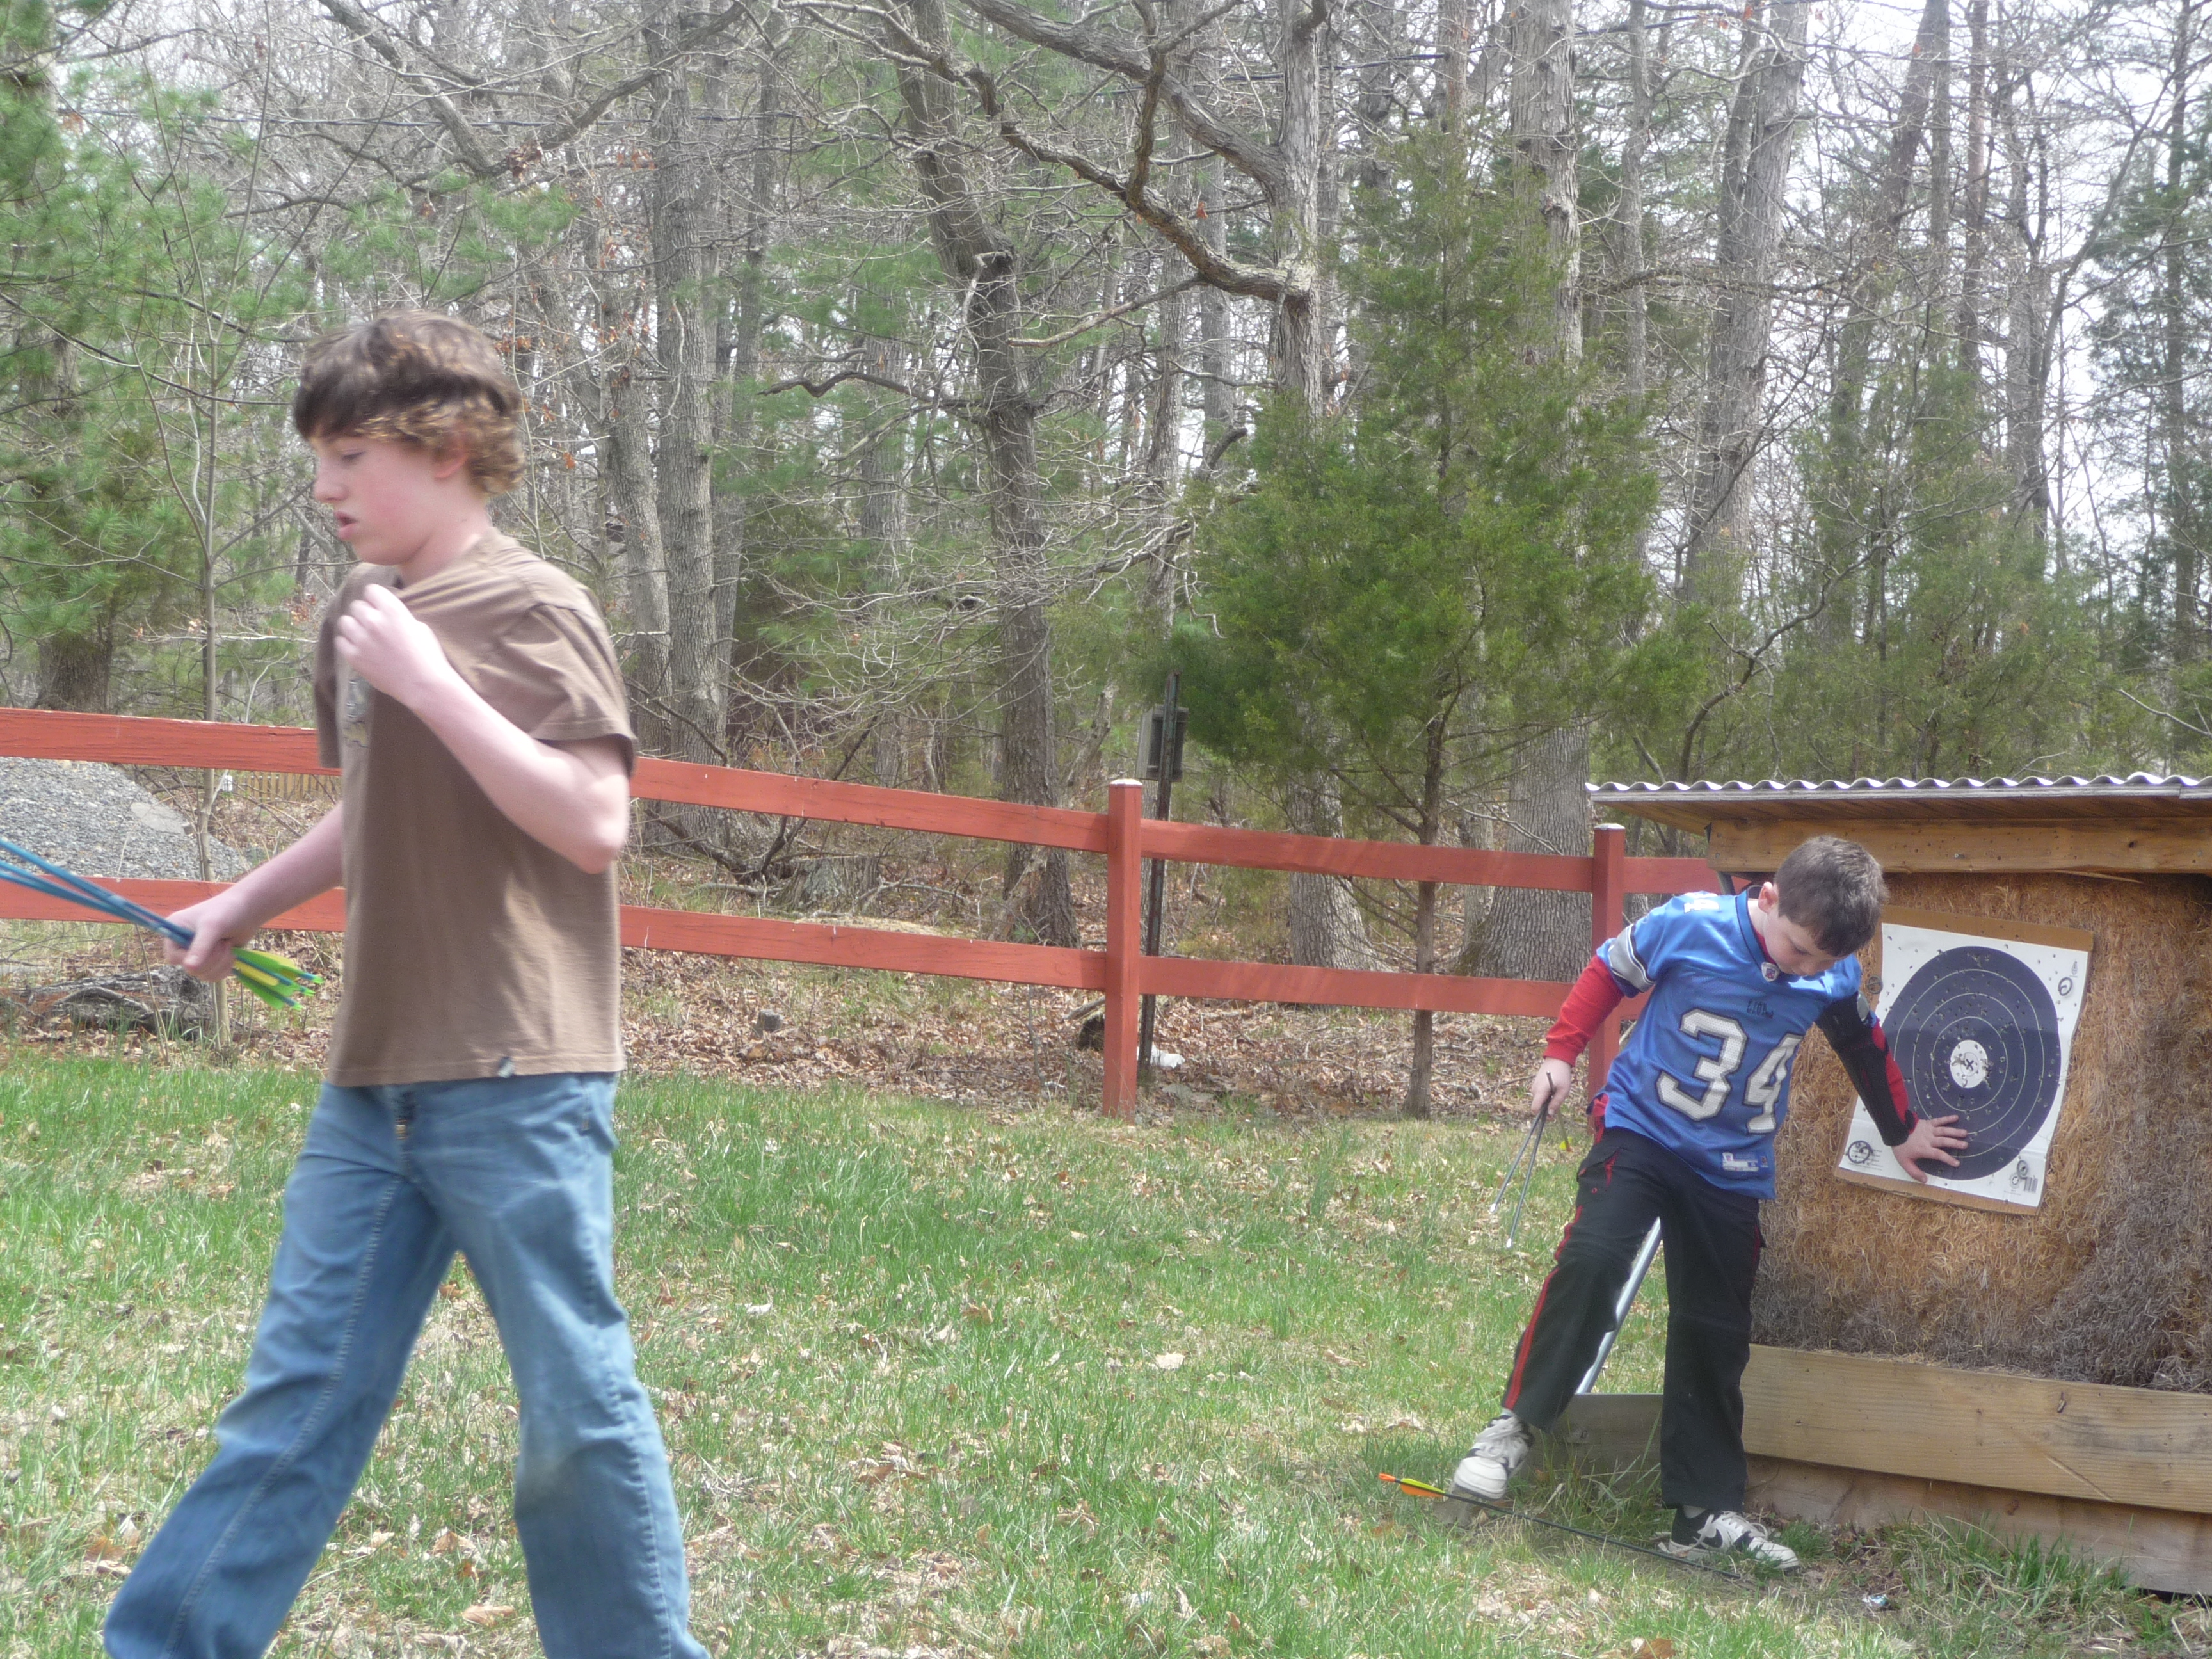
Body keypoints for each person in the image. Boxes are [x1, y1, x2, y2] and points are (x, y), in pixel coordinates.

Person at [106, 312, 710, 1659]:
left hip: (520, 1071)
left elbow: (593, 820)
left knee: (574, 1408)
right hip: (373, 1078)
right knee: (296, 1398)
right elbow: (375, 807)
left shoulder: (533, 606)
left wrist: (433, 683)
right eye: (317, 458)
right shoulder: (362, 616)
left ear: (446, 449)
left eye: (350, 455)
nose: (324, 487)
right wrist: (243, 902)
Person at [1447, 836, 1968, 1569]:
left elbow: (1862, 1042)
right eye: (1798, 950)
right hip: (1643, 1131)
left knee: (1715, 1328)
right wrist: (1560, 1053)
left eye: (1821, 962)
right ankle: (1513, 1430)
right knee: (1594, 1260)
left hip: (1734, 1165)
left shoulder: (1830, 970)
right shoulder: (1688, 923)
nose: (1806, 969)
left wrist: (1902, 1130)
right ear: (1768, 899)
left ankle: (1703, 1514)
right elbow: (1608, 970)